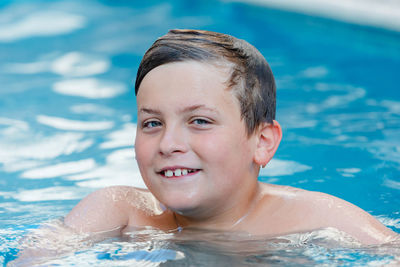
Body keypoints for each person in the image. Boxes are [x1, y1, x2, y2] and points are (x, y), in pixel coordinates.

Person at [64, 29, 398, 245]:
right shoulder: (120, 212)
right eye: (152, 123)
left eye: (199, 121)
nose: (168, 144)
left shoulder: (317, 220)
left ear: (263, 142)